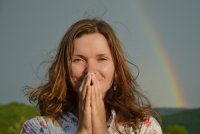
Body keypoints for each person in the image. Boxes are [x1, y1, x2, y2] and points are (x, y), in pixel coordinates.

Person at [21, 18, 162, 134]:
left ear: (117, 69)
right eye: (79, 60)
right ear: (64, 68)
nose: (90, 70)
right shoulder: (39, 129)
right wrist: (85, 129)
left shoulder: (144, 128)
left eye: (101, 59)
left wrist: (100, 128)